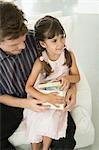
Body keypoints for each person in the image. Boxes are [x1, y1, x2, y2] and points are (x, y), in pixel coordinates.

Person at [0, 2, 77, 150]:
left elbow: (64, 65)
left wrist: (72, 88)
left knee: (66, 143)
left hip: (47, 94)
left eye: (23, 40)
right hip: (12, 103)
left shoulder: (35, 39)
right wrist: (26, 104)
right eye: (14, 45)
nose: (22, 46)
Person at [23, 15, 80, 150]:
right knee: (36, 117)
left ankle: (45, 148)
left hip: (57, 95)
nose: (60, 43)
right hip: (42, 94)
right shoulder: (41, 62)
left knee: (52, 118)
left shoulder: (68, 55)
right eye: (54, 40)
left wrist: (68, 79)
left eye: (62, 37)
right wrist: (45, 97)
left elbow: (76, 76)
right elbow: (28, 87)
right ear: (43, 44)